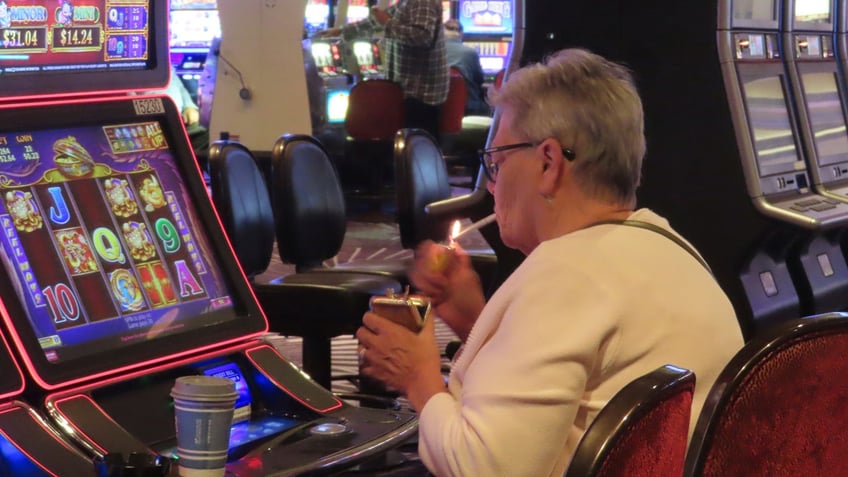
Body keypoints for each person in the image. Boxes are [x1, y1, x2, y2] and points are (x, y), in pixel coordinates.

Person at [355, 48, 743, 476]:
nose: (494, 184)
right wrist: (477, 324)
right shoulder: (669, 247)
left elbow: (484, 468)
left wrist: (418, 376)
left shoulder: (567, 273)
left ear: (548, 163)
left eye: (497, 163)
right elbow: (565, 390)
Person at [319, 1, 449, 140]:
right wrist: (342, 31)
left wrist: (387, 22)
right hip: (411, 87)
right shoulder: (406, 3)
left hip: (422, 90)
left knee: (418, 147)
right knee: (408, 145)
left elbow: (422, 37)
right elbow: (377, 21)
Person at [444, 19, 489, 116]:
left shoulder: (434, 52)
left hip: (439, 106)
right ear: (461, 34)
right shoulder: (470, 52)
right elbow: (480, 80)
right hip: (468, 107)